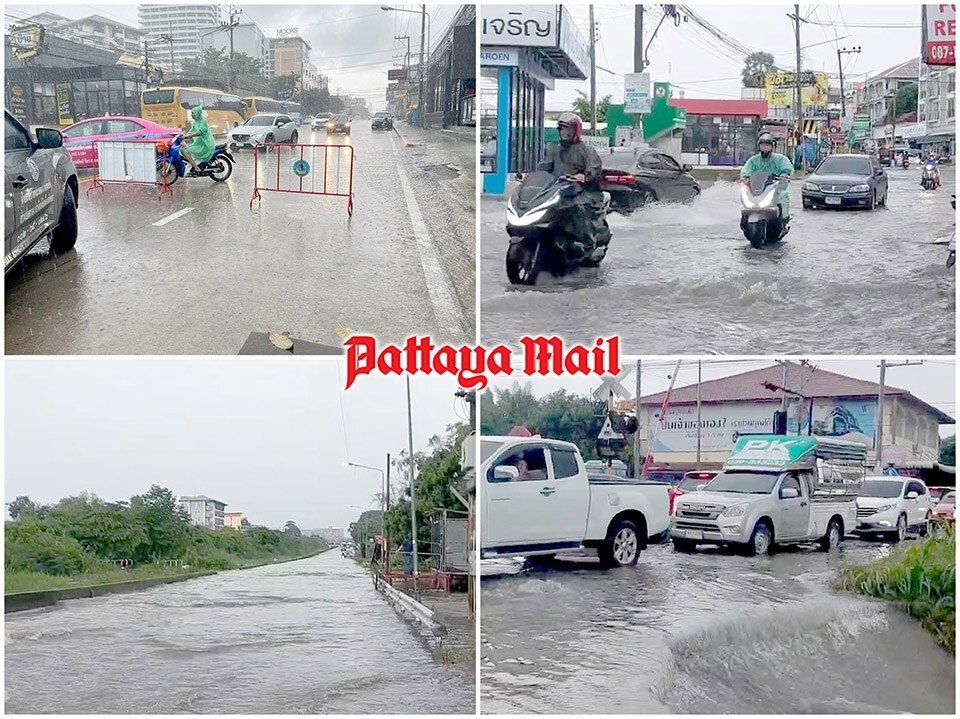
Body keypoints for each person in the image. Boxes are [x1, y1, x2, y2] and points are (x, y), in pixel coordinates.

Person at [538, 112, 610, 261]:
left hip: (582, 192)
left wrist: (584, 176)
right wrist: (531, 176)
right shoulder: (554, 150)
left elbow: (594, 168)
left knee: (579, 209)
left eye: (567, 129)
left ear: (575, 130)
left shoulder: (586, 150)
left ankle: (588, 244)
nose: (564, 133)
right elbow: (544, 167)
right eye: (562, 129)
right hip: (557, 192)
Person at [740, 132, 794, 236]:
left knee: (783, 196)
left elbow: (787, 169)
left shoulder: (780, 159)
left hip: (774, 187)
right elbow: (745, 171)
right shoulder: (753, 161)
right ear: (759, 146)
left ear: (772, 146)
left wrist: (785, 174)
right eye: (763, 145)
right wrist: (744, 178)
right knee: (745, 196)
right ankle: (745, 222)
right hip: (758, 189)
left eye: (767, 145)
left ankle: (783, 221)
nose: (765, 147)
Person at [181, 105, 215, 175]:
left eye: (193, 113)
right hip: (198, 143)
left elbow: (200, 132)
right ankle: (193, 163)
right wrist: (183, 135)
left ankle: (196, 167)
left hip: (204, 145)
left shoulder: (203, 121)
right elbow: (191, 130)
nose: (192, 115)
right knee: (182, 149)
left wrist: (188, 135)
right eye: (191, 113)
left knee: (185, 151)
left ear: (197, 113)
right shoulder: (195, 122)